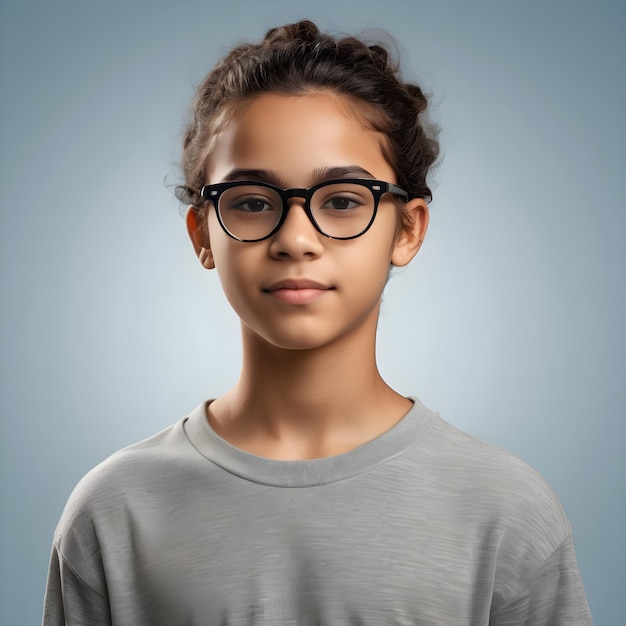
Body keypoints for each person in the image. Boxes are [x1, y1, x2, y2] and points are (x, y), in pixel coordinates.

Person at [43, 20, 593, 625]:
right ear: (203, 233)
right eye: (252, 202)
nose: (296, 238)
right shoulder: (114, 510)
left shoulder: (506, 510)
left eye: (342, 200)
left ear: (406, 229)